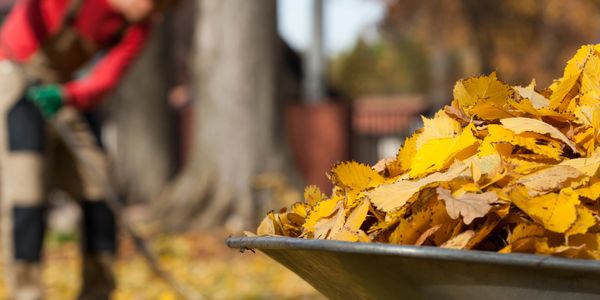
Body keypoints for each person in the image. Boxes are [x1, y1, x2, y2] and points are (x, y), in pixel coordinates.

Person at [0, 0, 166, 297]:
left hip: (61, 90)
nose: (153, 14)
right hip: (15, 74)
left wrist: (66, 94)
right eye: (152, 5)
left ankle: (98, 290)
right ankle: (26, 292)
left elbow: (105, 79)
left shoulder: (137, 27)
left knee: (100, 187)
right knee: (26, 192)